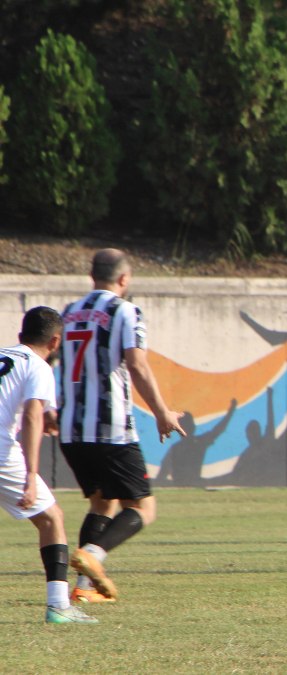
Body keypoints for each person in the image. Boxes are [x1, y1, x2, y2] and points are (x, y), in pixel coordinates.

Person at [59, 249, 186, 602]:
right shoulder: (125, 311)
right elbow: (137, 365)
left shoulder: (68, 313)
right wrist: (162, 411)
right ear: (124, 278)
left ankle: (83, 590)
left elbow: (55, 361)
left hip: (72, 430)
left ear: (92, 275)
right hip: (111, 429)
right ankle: (92, 556)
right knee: (142, 508)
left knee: (102, 503)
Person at [0, 307, 98, 623]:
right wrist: (30, 474)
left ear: (20, 335)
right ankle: (59, 606)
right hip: (2, 452)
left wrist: (47, 412)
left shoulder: (5, 357)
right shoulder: (39, 366)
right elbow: (31, 415)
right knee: (51, 518)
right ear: (55, 341)